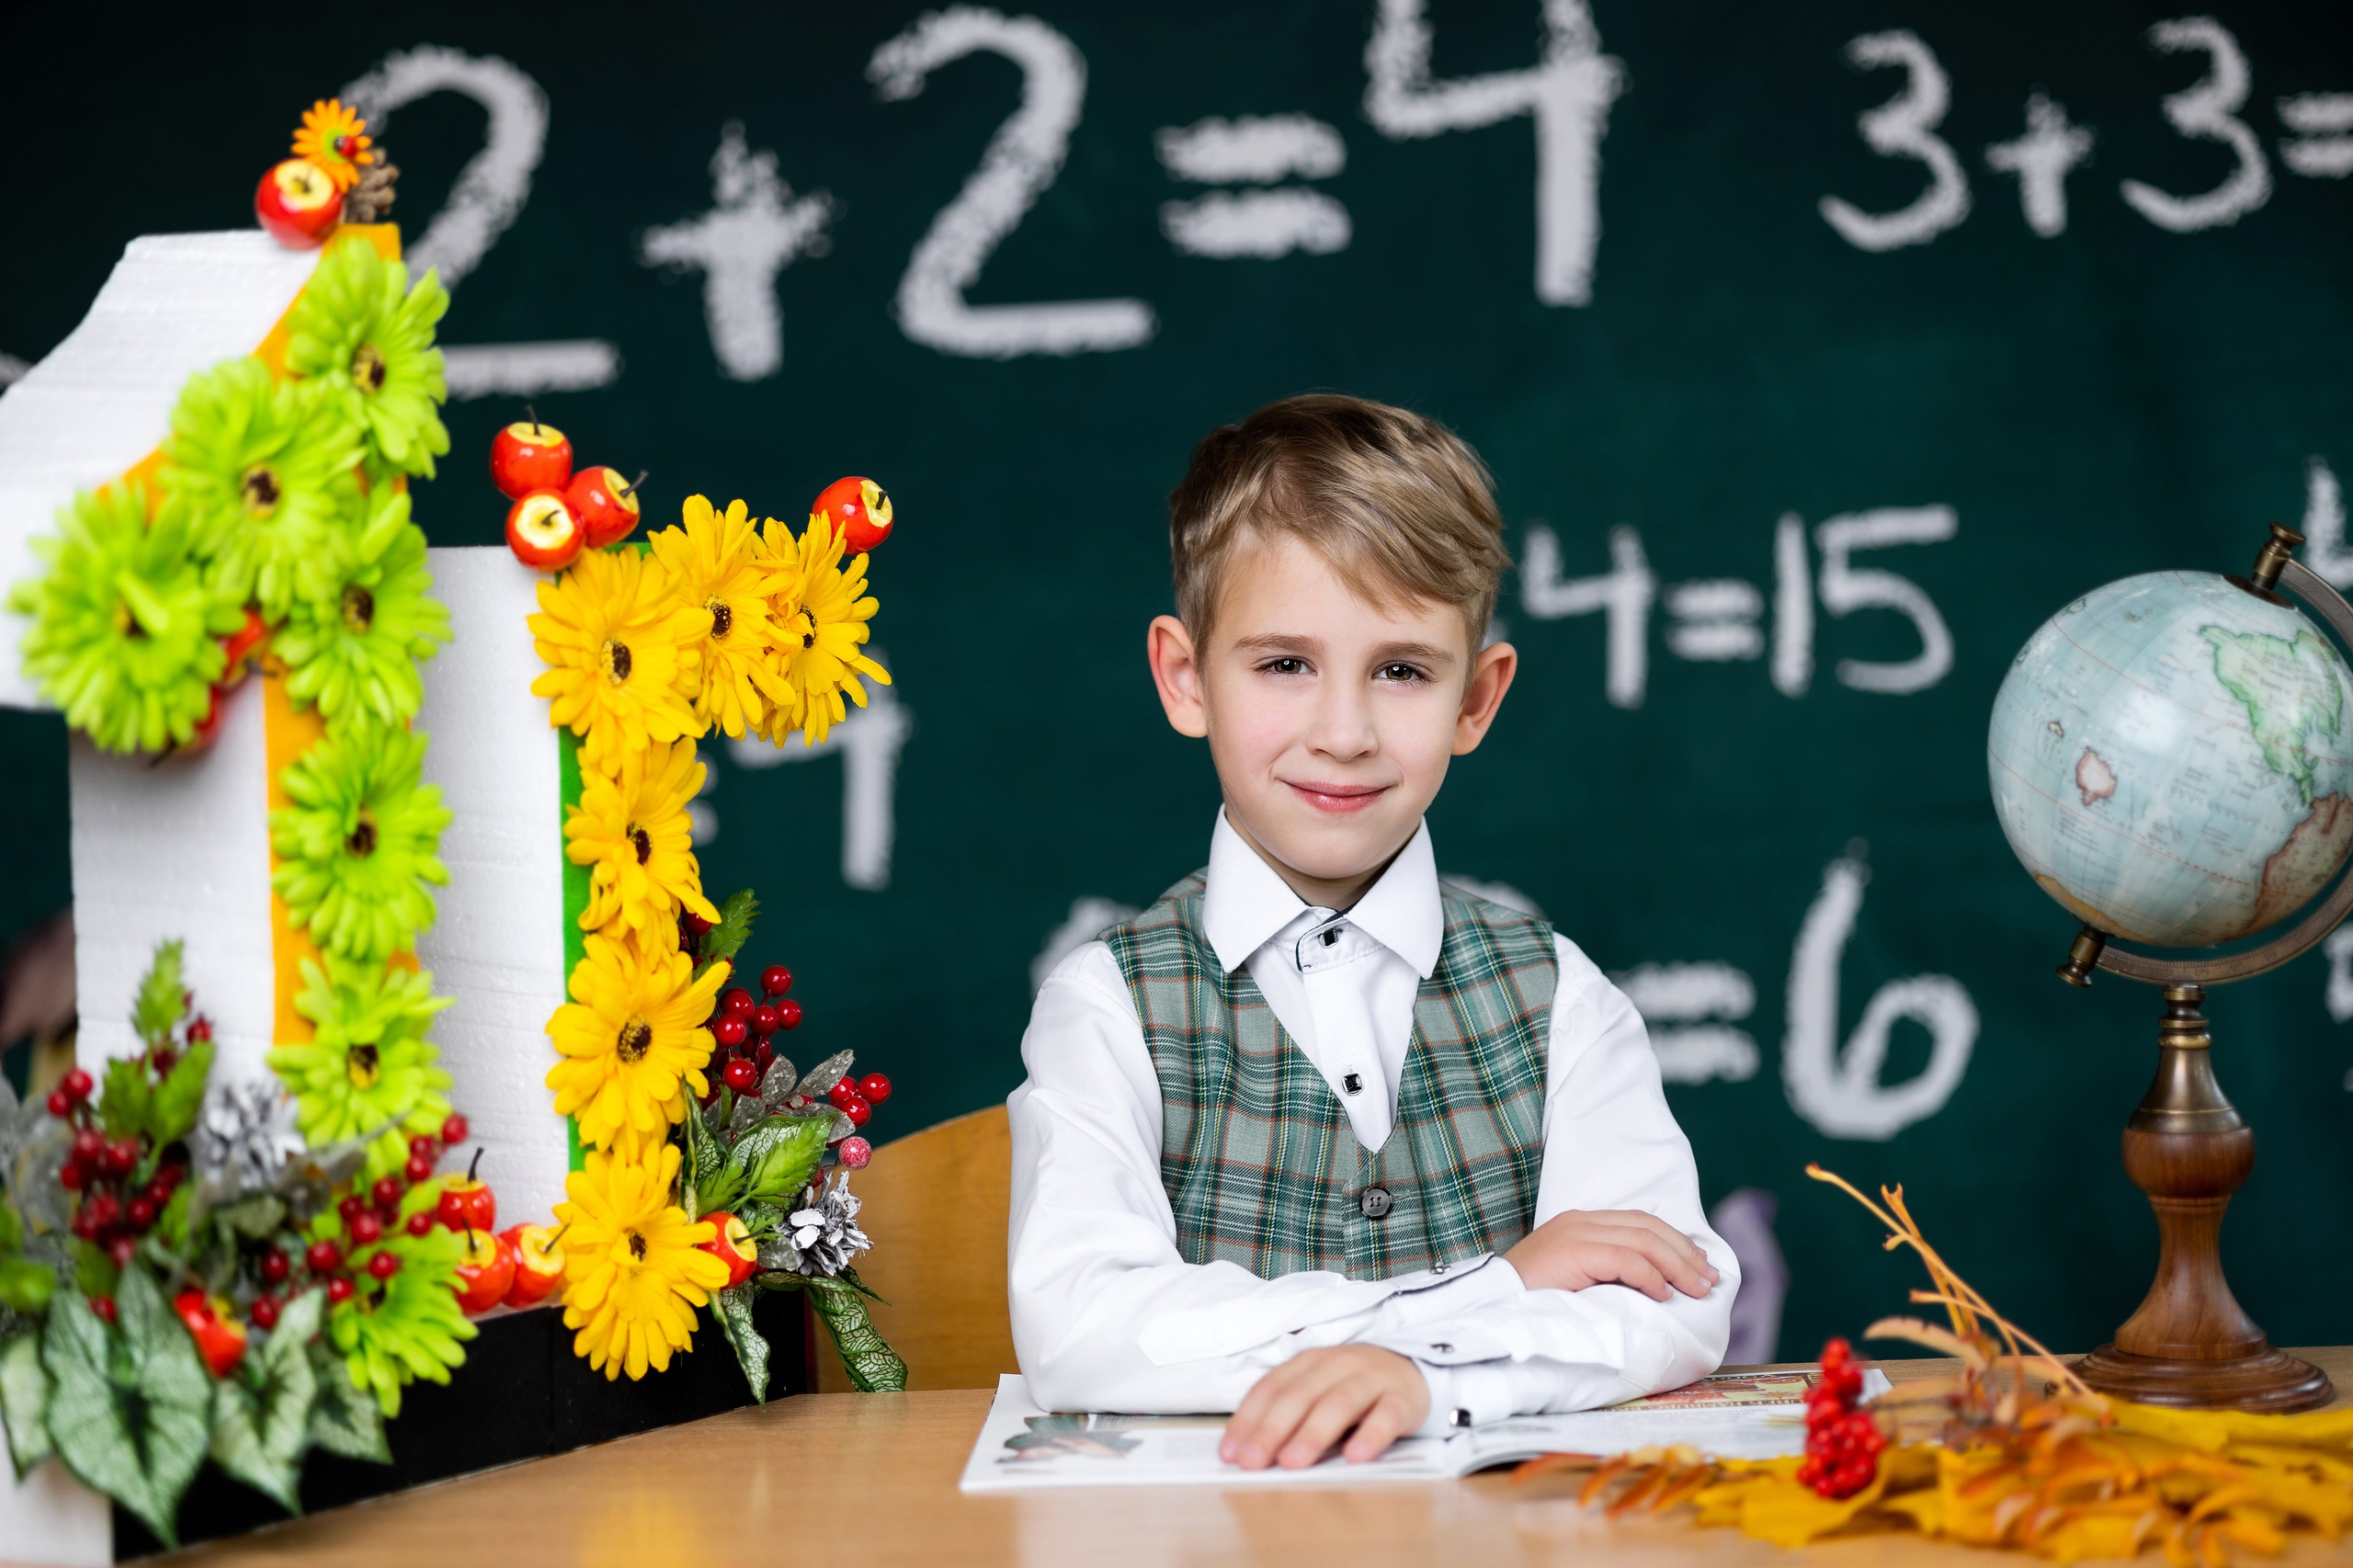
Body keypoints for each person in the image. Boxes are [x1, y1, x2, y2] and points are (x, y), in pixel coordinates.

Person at [1006, 393, 1735, 1471]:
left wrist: (1418, 1380)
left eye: (1400, 670)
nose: (1342, 733)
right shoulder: (1108, 1004)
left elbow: (1671, 1303)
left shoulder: (1558, 996)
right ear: (1183, 676)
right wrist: (1493, 1292)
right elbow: (1084, 1333)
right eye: (1283, 664)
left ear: (1475, 700)